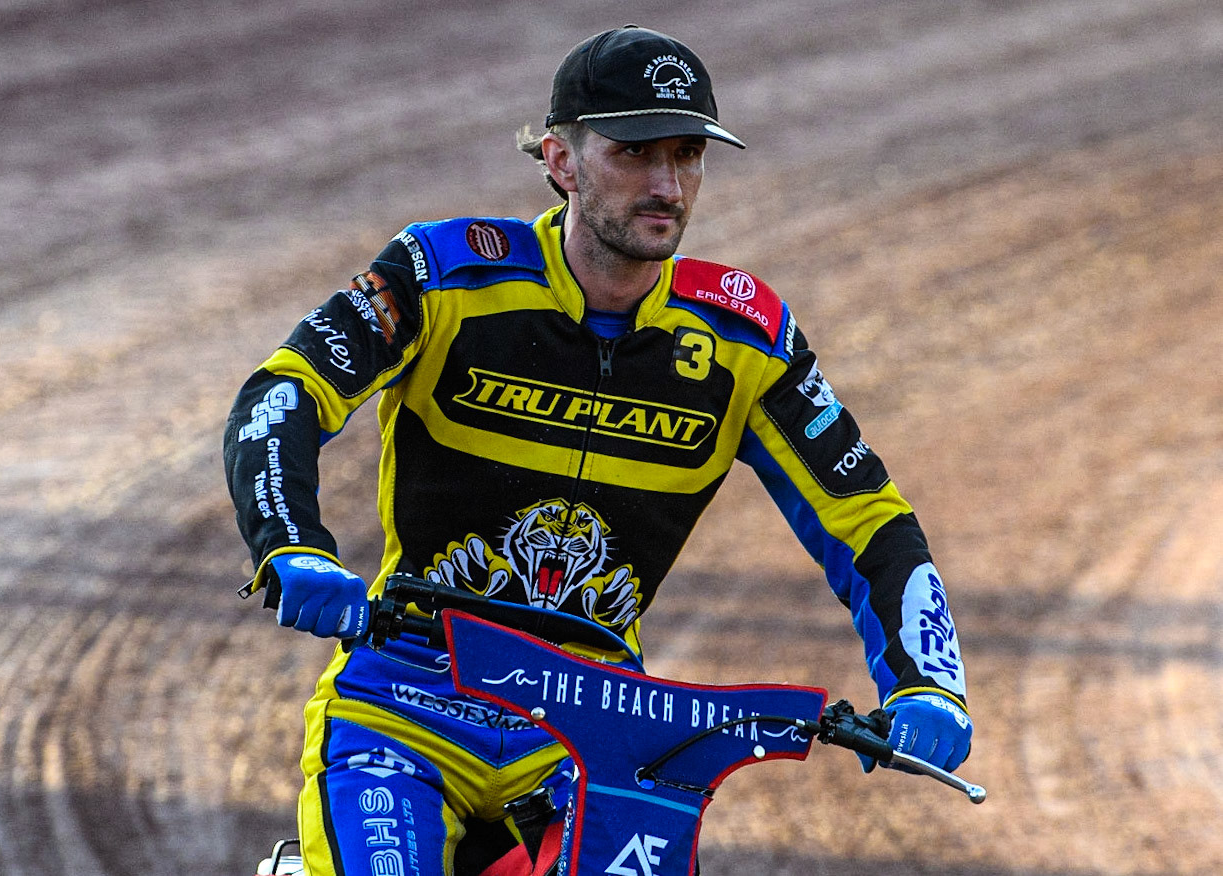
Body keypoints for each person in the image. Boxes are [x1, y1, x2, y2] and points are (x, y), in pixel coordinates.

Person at [224, 24, 971, 876]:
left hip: (597, 732)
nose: (667, 184)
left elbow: (868, 518)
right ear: (560, 159)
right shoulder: (442, 274)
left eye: (687, 154)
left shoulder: (745, 335)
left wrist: (927, 682)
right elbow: (282, 395)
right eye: (633, 152)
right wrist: (289, 545)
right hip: (403, 705)